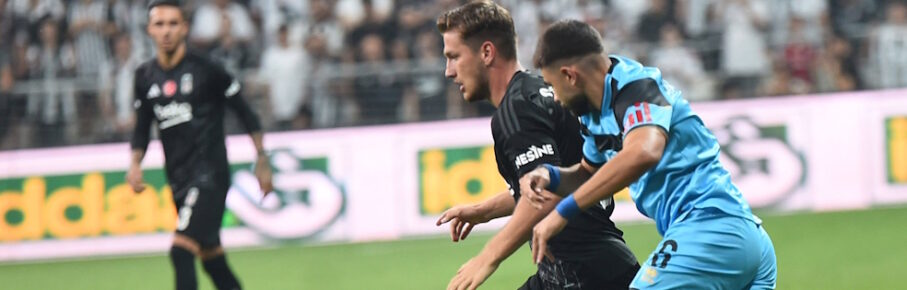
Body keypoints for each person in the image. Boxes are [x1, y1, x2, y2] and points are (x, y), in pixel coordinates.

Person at [523, 20, 777, 289]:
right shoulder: (594, 115)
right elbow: (587, 174)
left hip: (712, 226)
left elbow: (644, 152)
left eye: (553, 86)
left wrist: (564, 211)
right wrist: (551, 175)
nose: (557, 99)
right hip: (737, 235)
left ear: (570, 76)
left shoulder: (636, 88)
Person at [435, 2, 638, 290]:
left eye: (454, 57)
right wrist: (484, 210)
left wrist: (488, 257)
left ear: (487, 52)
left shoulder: (517, 110)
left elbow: (545, 192)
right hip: (581, 268)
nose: (449, 71)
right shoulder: (537, 89)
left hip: (584, 274)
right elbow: (550, 177)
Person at [127, 1, 273, 289]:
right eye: (159, 24)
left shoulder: (208, 69)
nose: (166, 31)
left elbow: (245, 112)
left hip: (210, 176)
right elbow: (142, 126)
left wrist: (262, 158)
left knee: (181, 252)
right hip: (178, 178)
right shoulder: (144, 77)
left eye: (172, 24)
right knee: (212, 259)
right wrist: (135, 163)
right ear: (149, 30)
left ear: (184, 28)